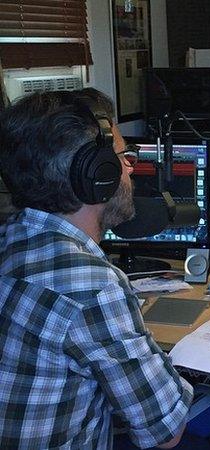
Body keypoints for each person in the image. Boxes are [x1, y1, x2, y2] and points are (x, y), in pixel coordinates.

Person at [0, 89, 197, 449]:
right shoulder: (92, 285)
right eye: (123, 157)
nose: (130, 166)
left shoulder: (9, 239)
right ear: (97, 174)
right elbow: (166, 431)